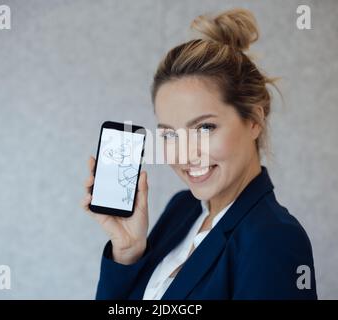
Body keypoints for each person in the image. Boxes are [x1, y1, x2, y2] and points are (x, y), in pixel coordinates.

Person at [82, 8, 317, 300]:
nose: (185, 155)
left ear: (254, 120)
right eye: (169, 134)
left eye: (204, 128)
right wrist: (128, 251)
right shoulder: (183, 209)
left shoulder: (274, 240)